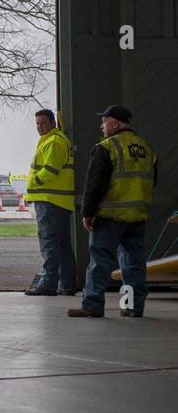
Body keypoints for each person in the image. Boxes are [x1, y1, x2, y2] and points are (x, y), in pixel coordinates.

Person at [69, 105, 156, 318]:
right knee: (133, 264)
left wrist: (87, 213)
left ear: (114, 124)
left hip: (110, 217)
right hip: (137, 216)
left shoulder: (107, 147)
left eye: (104, 122)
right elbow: (152, 181)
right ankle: (132, 307)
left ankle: (92, 305)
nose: (102, 126)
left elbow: (95, 184)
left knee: (100, 262)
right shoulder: (146, 148)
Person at [24, 108, 76, 296]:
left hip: (50, 201)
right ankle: (65, 284)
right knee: (61, 245)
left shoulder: (54, 141)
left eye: (43, 123)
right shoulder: (54, 140)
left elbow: (50, 170)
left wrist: (33, 181)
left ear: (53, 122)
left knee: (50, 243)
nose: (39, 127)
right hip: (59, 201)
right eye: (37, 124)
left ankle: (48, 283)